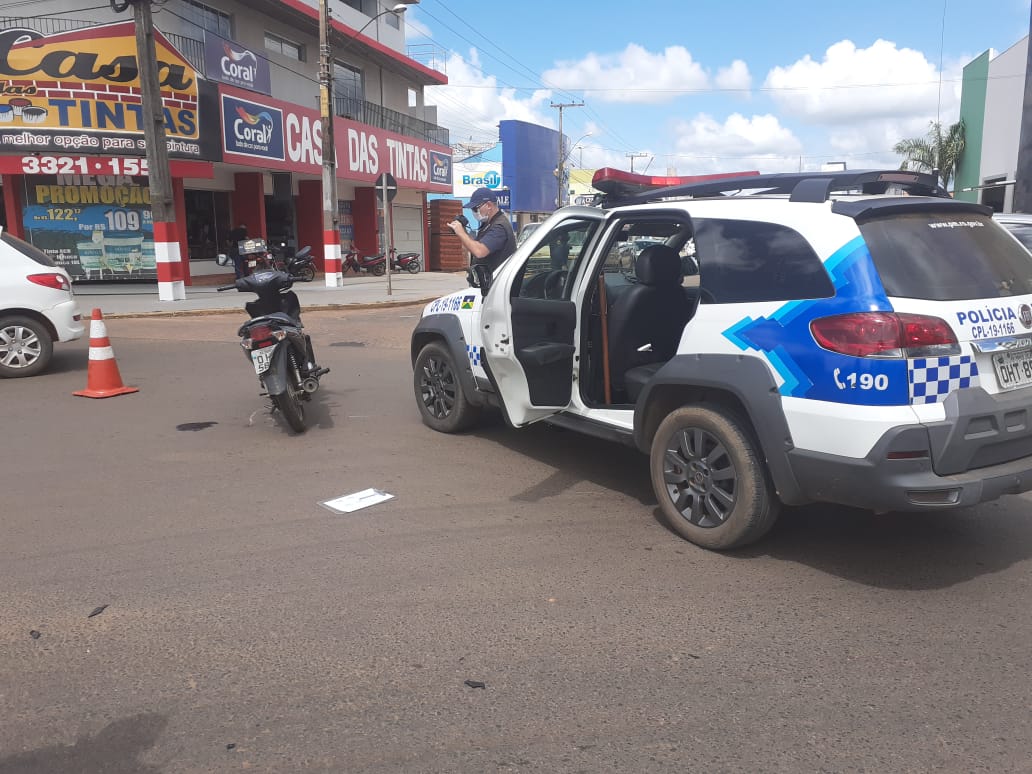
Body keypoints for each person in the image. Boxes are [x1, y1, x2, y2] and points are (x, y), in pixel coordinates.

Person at [448, 187, 516, 275]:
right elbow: (473, 247)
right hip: (486, 279)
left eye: (475, 209)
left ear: (489, 205)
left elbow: (479, 251)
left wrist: (461, 233)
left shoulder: (499, 227)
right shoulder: (487, 224)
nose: (474, 212)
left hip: (497, 280)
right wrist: (463, 232)